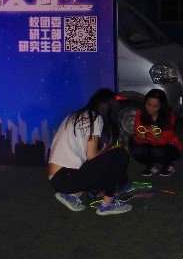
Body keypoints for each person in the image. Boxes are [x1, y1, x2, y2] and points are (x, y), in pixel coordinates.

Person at [48, 88, 132, 216]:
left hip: (59, 178)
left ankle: (72, 194)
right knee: (121, 154)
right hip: (66, 178)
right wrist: (113, 150)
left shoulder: (76, 116)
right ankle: (107, 204)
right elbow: (92, 157)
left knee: (120, 176)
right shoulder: (95, 119)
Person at [130, 89, 183, 177]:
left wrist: (157, 135)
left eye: (155, 106)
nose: (150, 108)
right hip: (150, 145)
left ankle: (168, 165)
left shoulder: (169, 116)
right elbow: (138, 140)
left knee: (157, 152)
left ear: (161, 105)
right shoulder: (140, 114)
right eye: (148, 104)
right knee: (136, 150)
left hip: (169, 146)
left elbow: (164, 141)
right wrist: (140, 137)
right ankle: (151, 165)